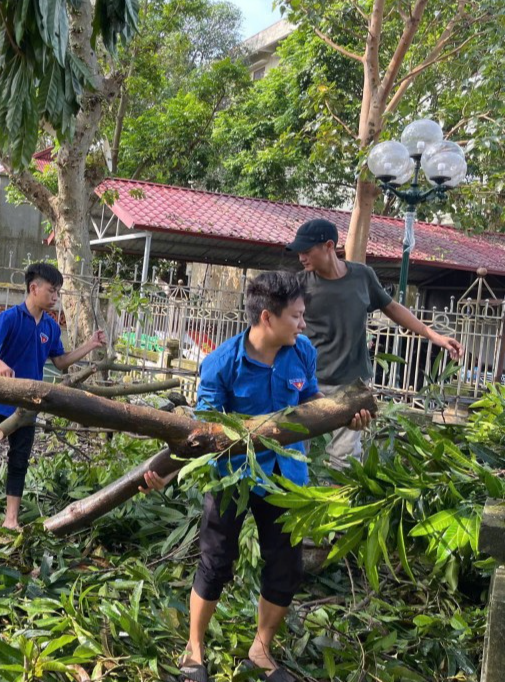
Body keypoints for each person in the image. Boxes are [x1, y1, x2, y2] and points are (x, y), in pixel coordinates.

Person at [141, 272, 370, 682]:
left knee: (286, 567)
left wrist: (343, 414)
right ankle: (194, 649)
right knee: (216, 562)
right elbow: (204, 431)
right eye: (297, 316)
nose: (303, 324)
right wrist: (167, 470)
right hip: (232, 477)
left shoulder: (301, 353)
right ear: (268, 317)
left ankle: (261, 651)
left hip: (286, 480)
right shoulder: (221, 364)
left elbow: (310, 400)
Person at [286, 218, 462, 470]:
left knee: (344, 462)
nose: (301, 257)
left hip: (351, 383)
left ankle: (339, 507)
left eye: (306, 251)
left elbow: (390, 306)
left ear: (328, 246)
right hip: (309, 382)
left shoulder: (362, 276)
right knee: (295, 455)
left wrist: (432, 335)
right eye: (299, 252)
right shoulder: (300, 284)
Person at [0, 262, 107, 529]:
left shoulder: (51, 327)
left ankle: (11, 519)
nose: (56, 296)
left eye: (58, 291)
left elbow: (60, 362)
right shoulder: (9, 318)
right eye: (52, 290)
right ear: (34, 288)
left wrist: (90, 344)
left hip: (28, 406)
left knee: (19, 461)